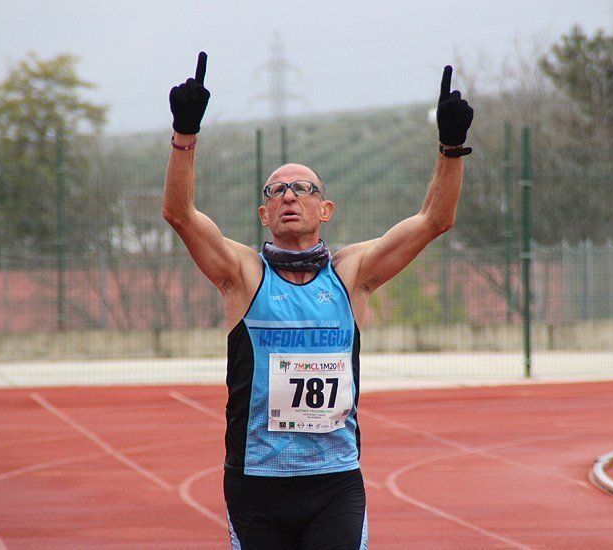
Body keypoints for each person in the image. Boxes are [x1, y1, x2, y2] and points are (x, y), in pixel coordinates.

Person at [162, 51, 473, 550]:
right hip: (256, 481)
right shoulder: (243, 275)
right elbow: (180, 215)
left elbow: (434, 220)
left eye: (302, 188)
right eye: (276, 190)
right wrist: (184, 135)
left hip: (333, 482)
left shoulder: (352, 275)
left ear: (324, 209)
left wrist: (451, 147)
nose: (289, 195)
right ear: (264, 213)